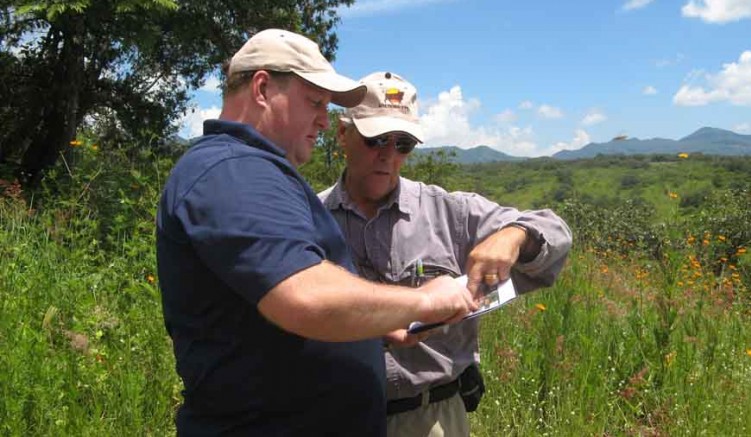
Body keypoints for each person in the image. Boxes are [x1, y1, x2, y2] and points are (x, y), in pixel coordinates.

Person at [156, 30, 480, 436]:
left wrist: (375, 324)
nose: (325, 122)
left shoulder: (253, 172)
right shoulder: (233, 171)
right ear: (261, 88)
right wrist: (422, 300)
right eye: (314, 102)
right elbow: (304, 295)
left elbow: (268, 308)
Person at [319, 71, 573, 436]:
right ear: (343, 134)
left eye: (403, 144)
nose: (388, 156)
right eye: (376, 139)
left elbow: (556, 232)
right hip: (333, 416)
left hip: (432, 417)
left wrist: (514, 236)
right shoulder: (308, 216)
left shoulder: (449, 212)